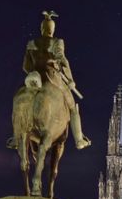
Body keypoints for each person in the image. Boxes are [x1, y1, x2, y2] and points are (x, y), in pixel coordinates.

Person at [13, 10, 91, 150]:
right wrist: (70, 80)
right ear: (52, 29)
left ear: (42, 28)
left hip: (35, 77)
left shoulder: (31, 43)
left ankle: (15, 136)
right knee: (73, 108)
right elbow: (62, 60)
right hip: (53, 78)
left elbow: (26, 66)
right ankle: (79, 139)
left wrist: (34, 71)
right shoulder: (57, 42)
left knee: (18, 100)